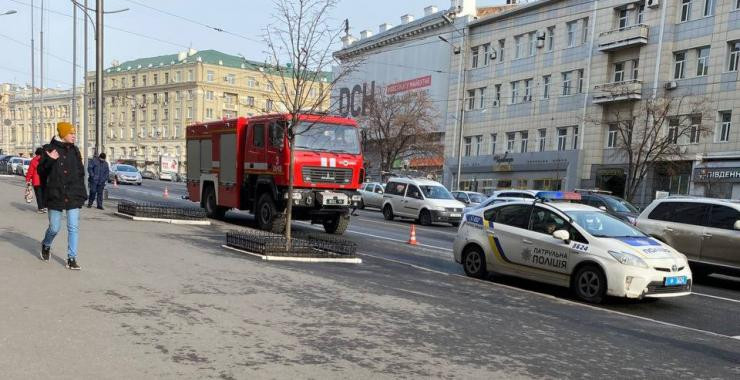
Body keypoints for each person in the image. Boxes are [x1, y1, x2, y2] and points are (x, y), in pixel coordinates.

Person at [38, 122, 87, 270]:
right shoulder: (49, 149)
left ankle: (71, 258)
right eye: (71, 133)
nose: (74, 135)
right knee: (54, 228)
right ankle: (46, 244)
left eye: (74, 133)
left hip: (73, 194)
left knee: (73, 227)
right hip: (55, 194)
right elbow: (41, 171)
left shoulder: (75, 151)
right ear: (63, 134)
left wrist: (81, 192)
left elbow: (80, 173)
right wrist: (50, 159)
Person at [25, 147, 46, 213]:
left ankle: (40, 208)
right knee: (43, 194)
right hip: (45, 180)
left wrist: (28, 179)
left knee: (38, 194)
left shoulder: (34, 160)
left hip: (36, 181)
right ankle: (44, 207)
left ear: (36, 153)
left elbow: (30, 171)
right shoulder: (45, 160)